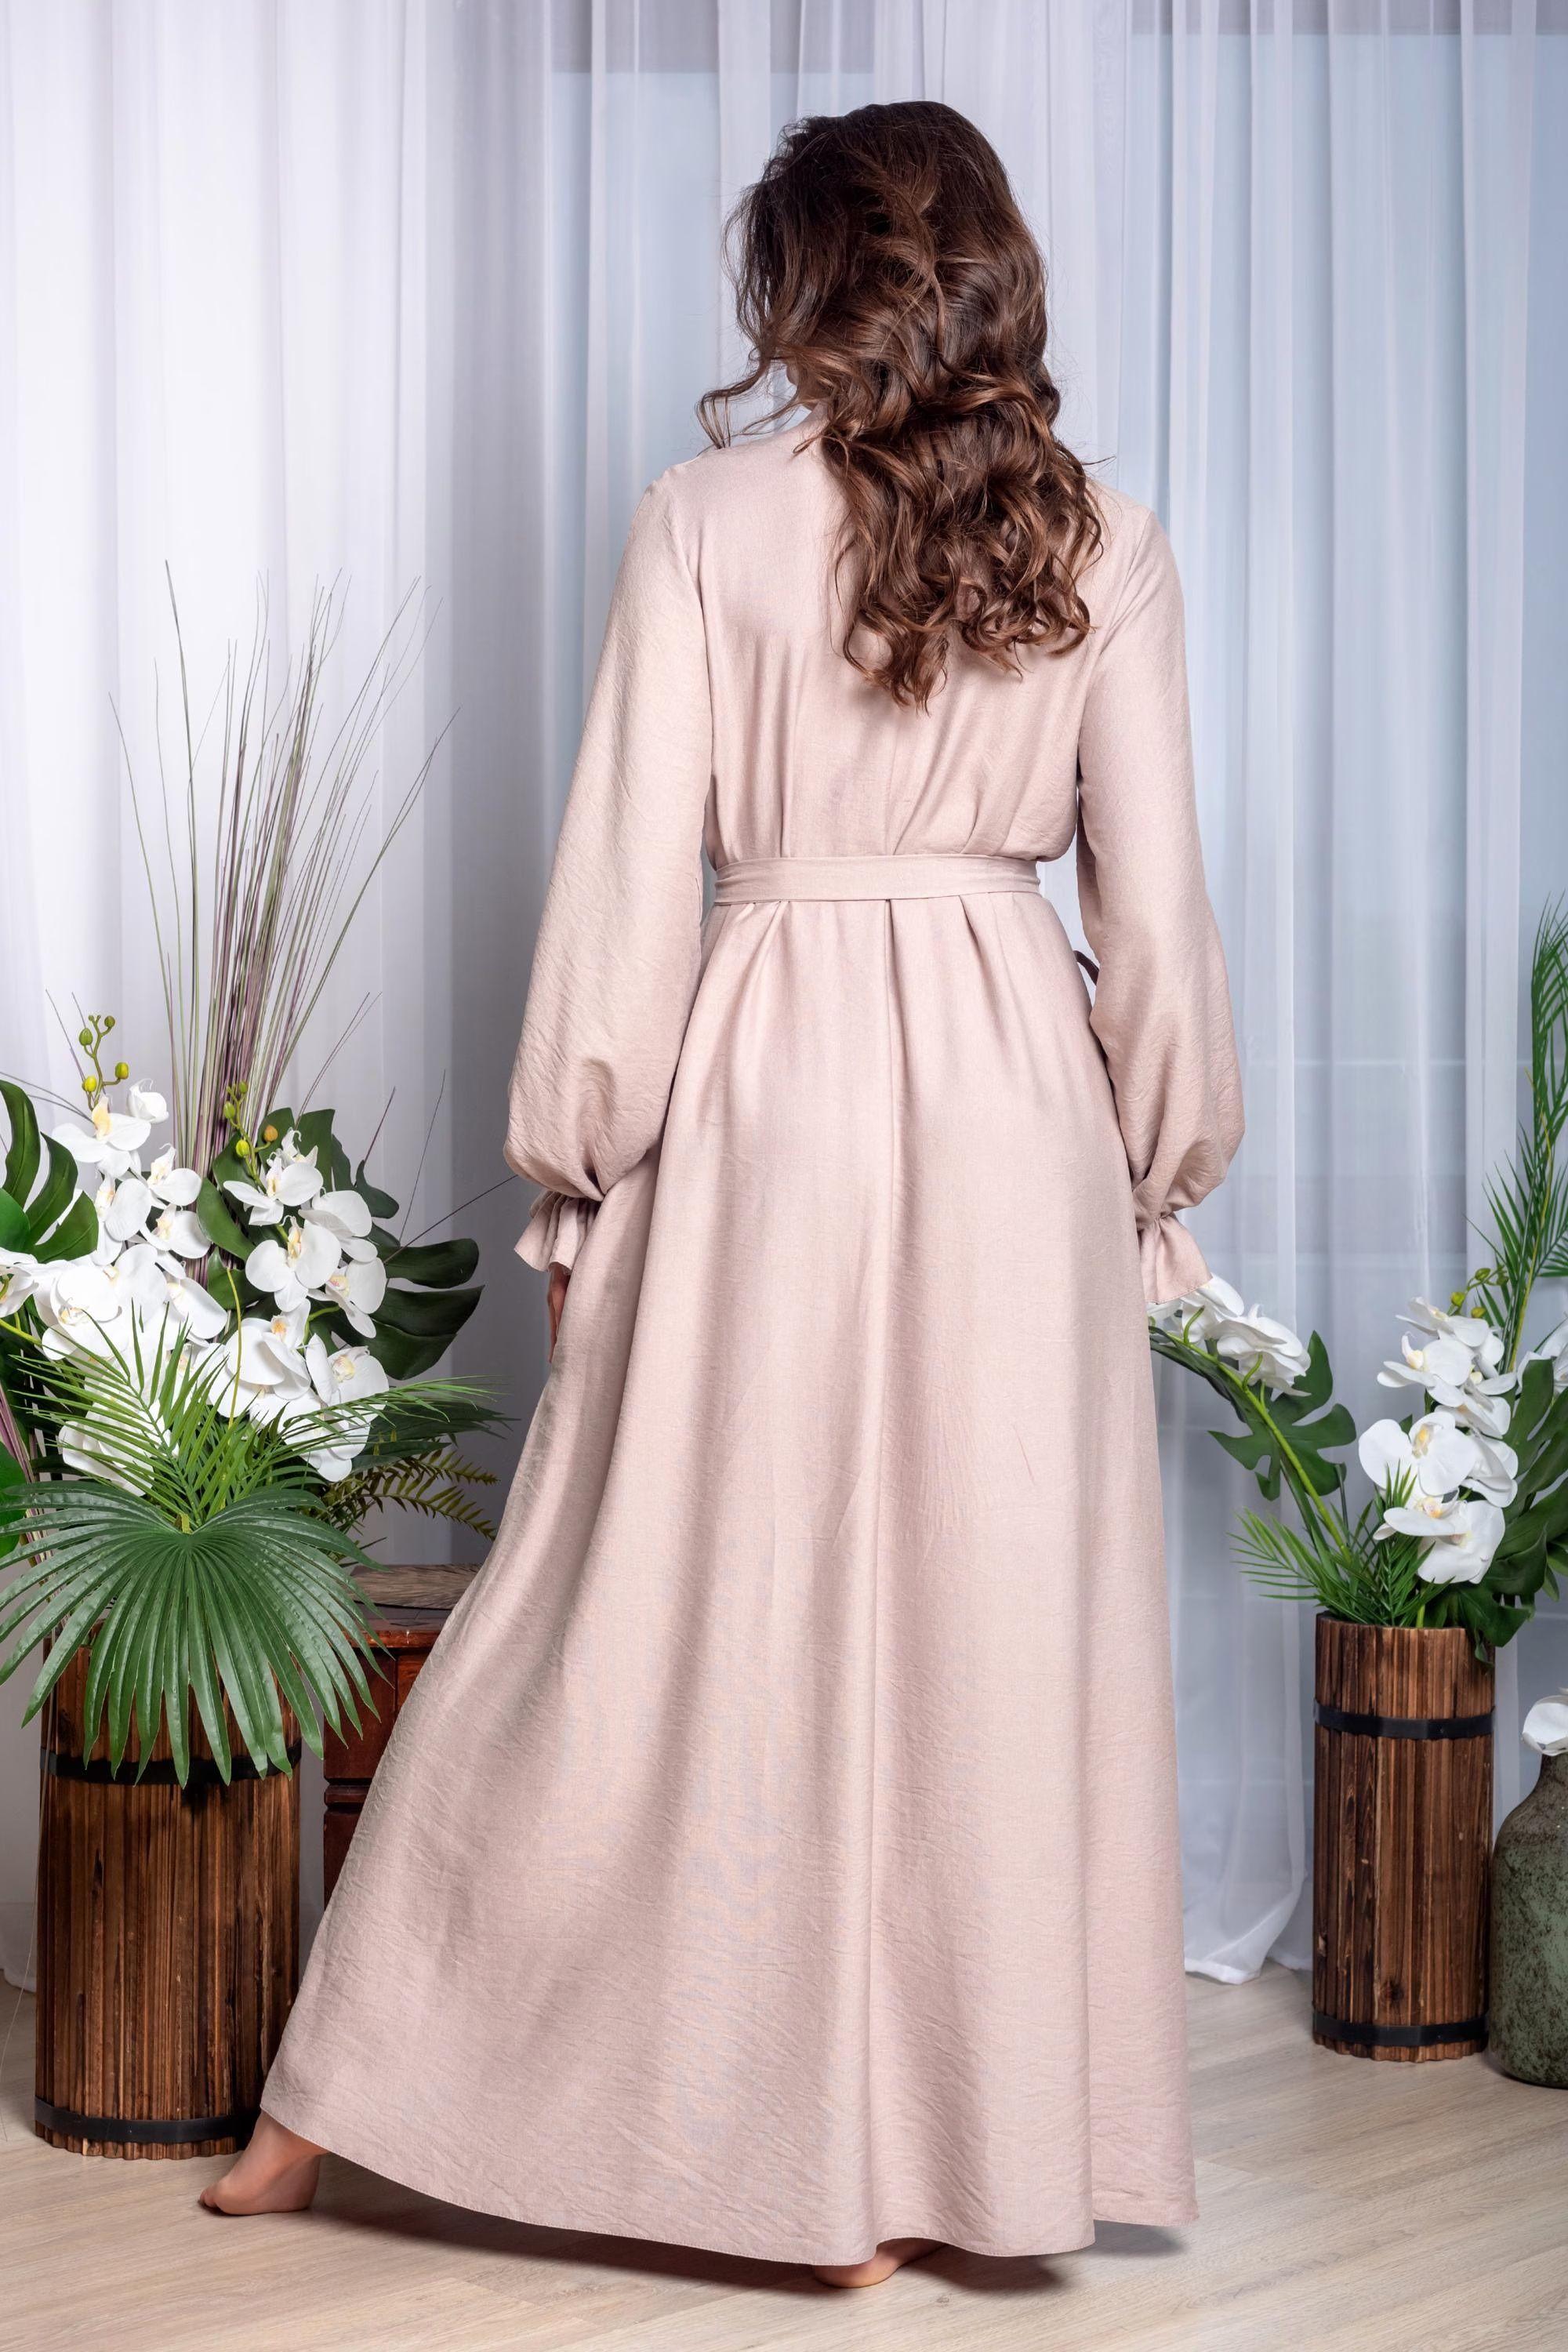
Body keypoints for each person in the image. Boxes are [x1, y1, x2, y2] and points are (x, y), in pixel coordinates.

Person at [203, 99, 1243, 2291]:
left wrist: (577, 1162)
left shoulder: (703, 517)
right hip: (1003, 1105)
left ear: (814, 281)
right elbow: (1153, 932)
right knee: (974, 1637)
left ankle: (348, 2109)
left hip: (762, 1073)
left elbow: (621, 879)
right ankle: (902, 2175)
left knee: (644, 1616)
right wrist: (1156, 1164)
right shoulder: (1110, 547)